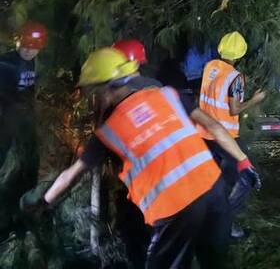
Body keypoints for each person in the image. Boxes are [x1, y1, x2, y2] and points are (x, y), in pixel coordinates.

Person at [21, 47, 260, 268]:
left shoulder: (108, 132)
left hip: (174, 209)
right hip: (214, 191)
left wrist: (43, 202)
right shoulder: (168, 96)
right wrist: (244, 162)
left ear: (106, 87)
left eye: (93, 90)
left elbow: (71, 174)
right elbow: (215, 127)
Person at [199, 31, 266, 238]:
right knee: (247, 177)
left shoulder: (210, 67)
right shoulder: (235, 77)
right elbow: (235, 110)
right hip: (225, 137)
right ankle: (224, 223)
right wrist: (256, 99)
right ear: (240, 55)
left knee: (217, 181)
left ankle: (208, 221)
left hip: (204, 133)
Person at [0, 22, 47, 236]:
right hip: (5, 122)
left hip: (20, 124)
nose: (28, 50)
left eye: (33, 47)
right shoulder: (6, 63)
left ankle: (18, 215)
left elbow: (29, 89)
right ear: (19, 42)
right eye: (25, 46)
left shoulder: (33, 62)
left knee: (24, 166)